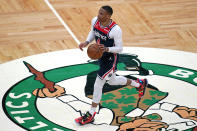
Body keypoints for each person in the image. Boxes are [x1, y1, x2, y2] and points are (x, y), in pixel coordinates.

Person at [75, 5, 148, 125]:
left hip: (110, 57)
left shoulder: (115, 30)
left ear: (108, 16)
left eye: (102, 14)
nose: (99, 15)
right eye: (99, 12)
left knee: (98, 84)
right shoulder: (95, 21)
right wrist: (87, 42)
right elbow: (93, 32)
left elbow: (120, 48)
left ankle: (91, 113)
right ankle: (139, 84)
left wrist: (107, 49)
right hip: (101, 55)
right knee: (112, 81)